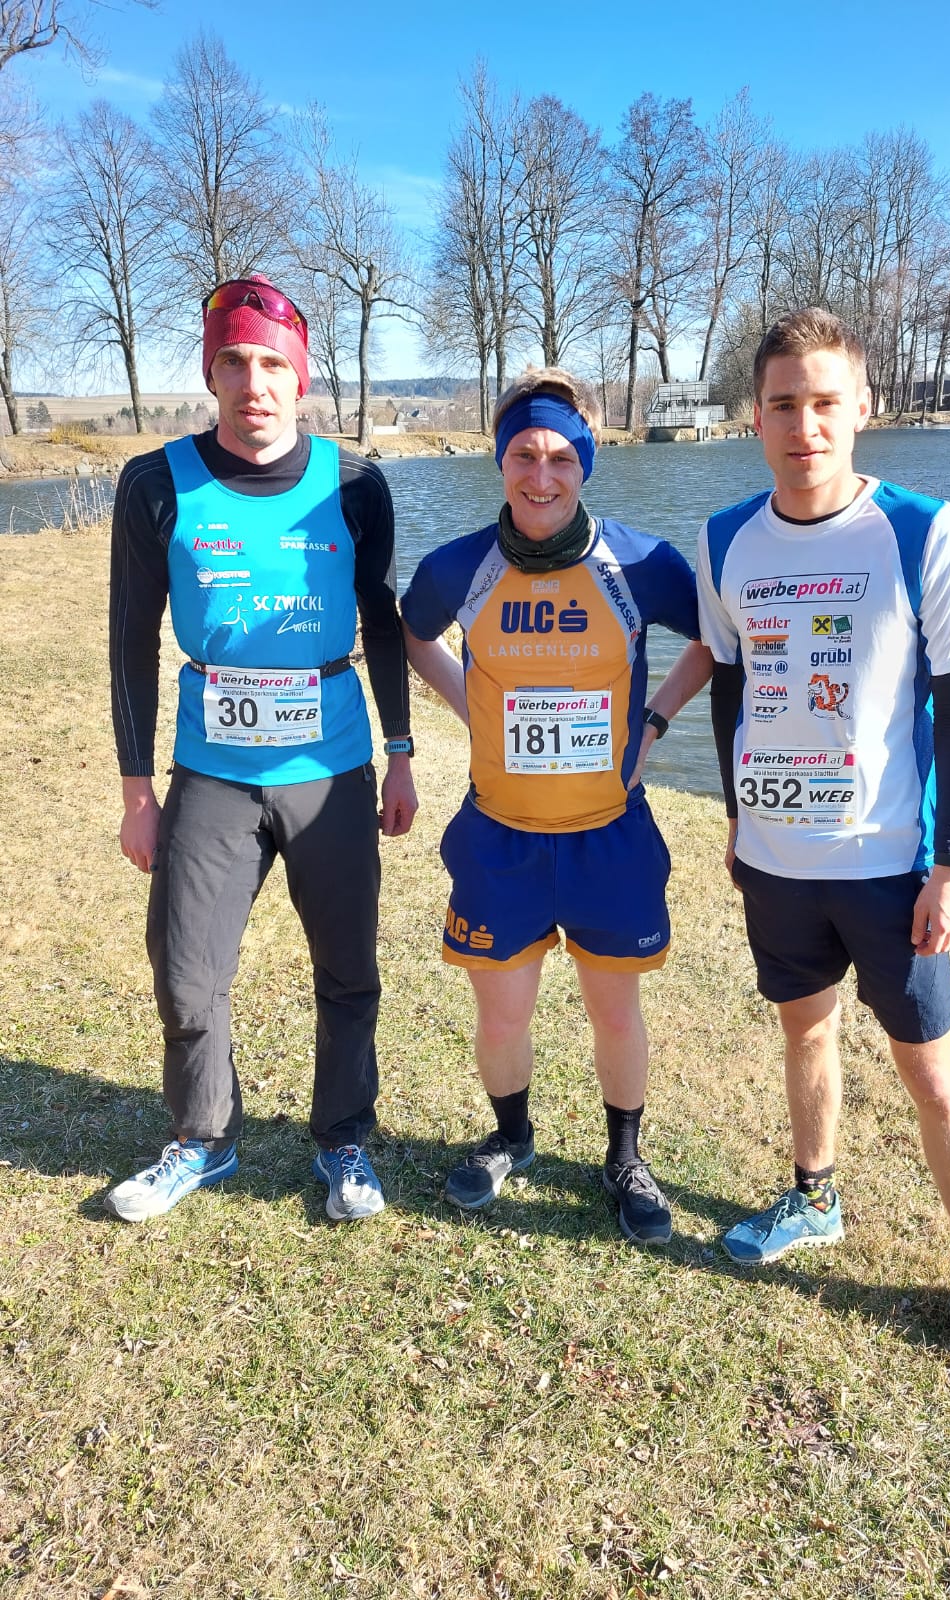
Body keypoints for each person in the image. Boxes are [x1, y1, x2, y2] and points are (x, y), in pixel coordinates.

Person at [697, 309, 950, 1405]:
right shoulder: (725, 539)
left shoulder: (925, 531)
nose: (805, 426)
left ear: (864, 410)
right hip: (778, 859)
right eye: (784, 403)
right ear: (755, 417)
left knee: (930, 1074)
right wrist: (736, 815)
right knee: (805, 1030)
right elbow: (732, 685)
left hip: (892, 870)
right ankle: (814, 1194)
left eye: (826, 402)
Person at [106, 275, 417, 1225]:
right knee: (186, 969)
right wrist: (137, 791)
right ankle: (202, 1139)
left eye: (273, 364)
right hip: (213, 772)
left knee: (347, 966)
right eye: (234, 362)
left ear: (300, 377)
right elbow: (130, 636)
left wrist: (401, 752)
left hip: (330, 768)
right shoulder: (156, 484)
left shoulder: (356, 484)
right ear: (212, 373)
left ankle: (343, 1139)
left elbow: (383, 622)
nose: (254, 383)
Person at [401, 368, 711, 1246]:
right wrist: (471, 708)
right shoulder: (459, 567)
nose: (542, 477)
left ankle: (625, 1157)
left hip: (608, 838)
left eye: (561, 459)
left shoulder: (640, 564)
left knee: (615, 1012)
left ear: (587, 462)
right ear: (501, 462)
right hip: (500, 837)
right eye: (524, 457)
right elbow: (412, 633)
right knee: (503, 1013)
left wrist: (654, 721)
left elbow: (716, 639)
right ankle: (512, 1137)